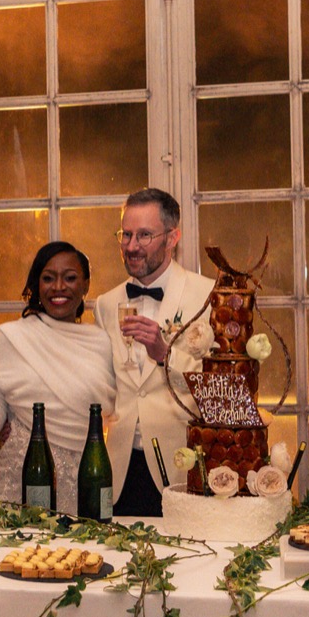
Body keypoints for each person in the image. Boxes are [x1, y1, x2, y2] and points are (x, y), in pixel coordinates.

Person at [0, 241, 116, 515]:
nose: (58, 287)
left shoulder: (102, 342)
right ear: (36, 284)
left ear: (86, 285)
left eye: (70, 278)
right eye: (48, 278)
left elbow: (116, 412)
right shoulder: (12, 337)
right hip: (23, 481)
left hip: (84, 484)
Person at [91, 188, 214, 516]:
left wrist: (165, 354)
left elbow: (219, 388)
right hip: (120, 470)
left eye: (144, 235)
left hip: (182, 469)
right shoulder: (105, 304)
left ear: (173, 237)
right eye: (126, 234)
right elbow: (104, 389)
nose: (131, 246)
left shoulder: (208, 296)